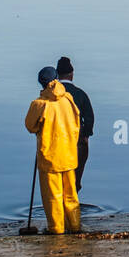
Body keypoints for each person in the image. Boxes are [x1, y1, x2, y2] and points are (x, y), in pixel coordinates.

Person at [24, 66, 82, 235]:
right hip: (69, 155)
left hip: (50, 157)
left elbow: (30, 126)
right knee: (71, 195)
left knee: (53, 197)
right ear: (56, 79)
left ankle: (56, 230)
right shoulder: (68, 99)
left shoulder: (39, 104)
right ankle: (75, 226)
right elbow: (77, 122)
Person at [56, 56, 94, 191]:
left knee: (58, 181)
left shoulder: (51, 94)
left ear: (57, 74)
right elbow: (89, 118)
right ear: (72, 74)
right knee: (75, 179)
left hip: (56, 140)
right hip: (76, 139)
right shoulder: (80, 94)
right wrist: (86, 135)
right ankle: (73, 205)